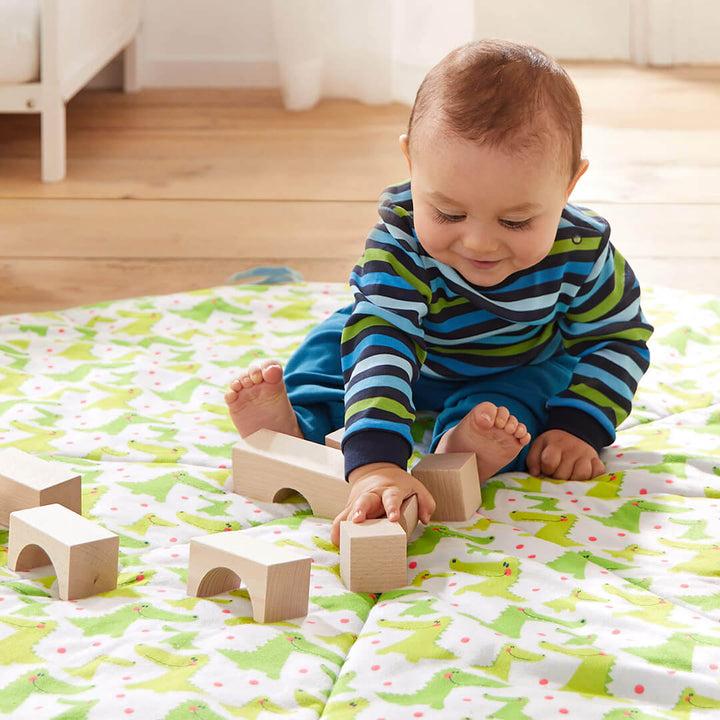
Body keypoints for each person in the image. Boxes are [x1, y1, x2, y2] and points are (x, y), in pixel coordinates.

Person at [225, 39, 653, 546]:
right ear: (411, 162)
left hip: (515, 362)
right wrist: (377, 465)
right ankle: (298, 422)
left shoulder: (585, 253)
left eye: (516, 221)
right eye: (448, 214)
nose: (478, 242)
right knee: (336, 345)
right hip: (404, 344)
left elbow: (618, 340)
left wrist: (580, 424)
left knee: (518, 410)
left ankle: (461, 446)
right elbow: (385, 342)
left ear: (569, 184)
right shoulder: (400, 242)